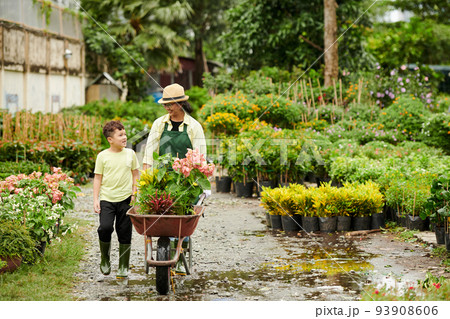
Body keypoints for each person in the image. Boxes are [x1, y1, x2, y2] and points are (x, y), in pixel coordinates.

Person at [143, 83, 208, 274]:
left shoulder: (194, 127)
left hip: (186, 182)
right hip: (163, 180)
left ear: (180, 104)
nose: (167, 108)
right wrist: (146, 182)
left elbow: (200, 158)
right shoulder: (159, 124)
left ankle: (180, 255)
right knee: (164, 219)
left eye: (170, 104)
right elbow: (149, 155)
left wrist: (199, 183)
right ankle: (170, 253)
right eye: (165, 105)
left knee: (183, 221)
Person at [93, 120, 140, 279]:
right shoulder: (102, 156)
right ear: (110, 140)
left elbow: (135, 175)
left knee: (125, 231)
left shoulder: (130, 154)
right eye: (120, 135)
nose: (124, 137)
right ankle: (105, 258)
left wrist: (135, 193)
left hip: (126, 199)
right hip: (107, 199)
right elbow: (97, 179)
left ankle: (123, 265)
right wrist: (95, 199)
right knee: (105, 228)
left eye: (125, 134)